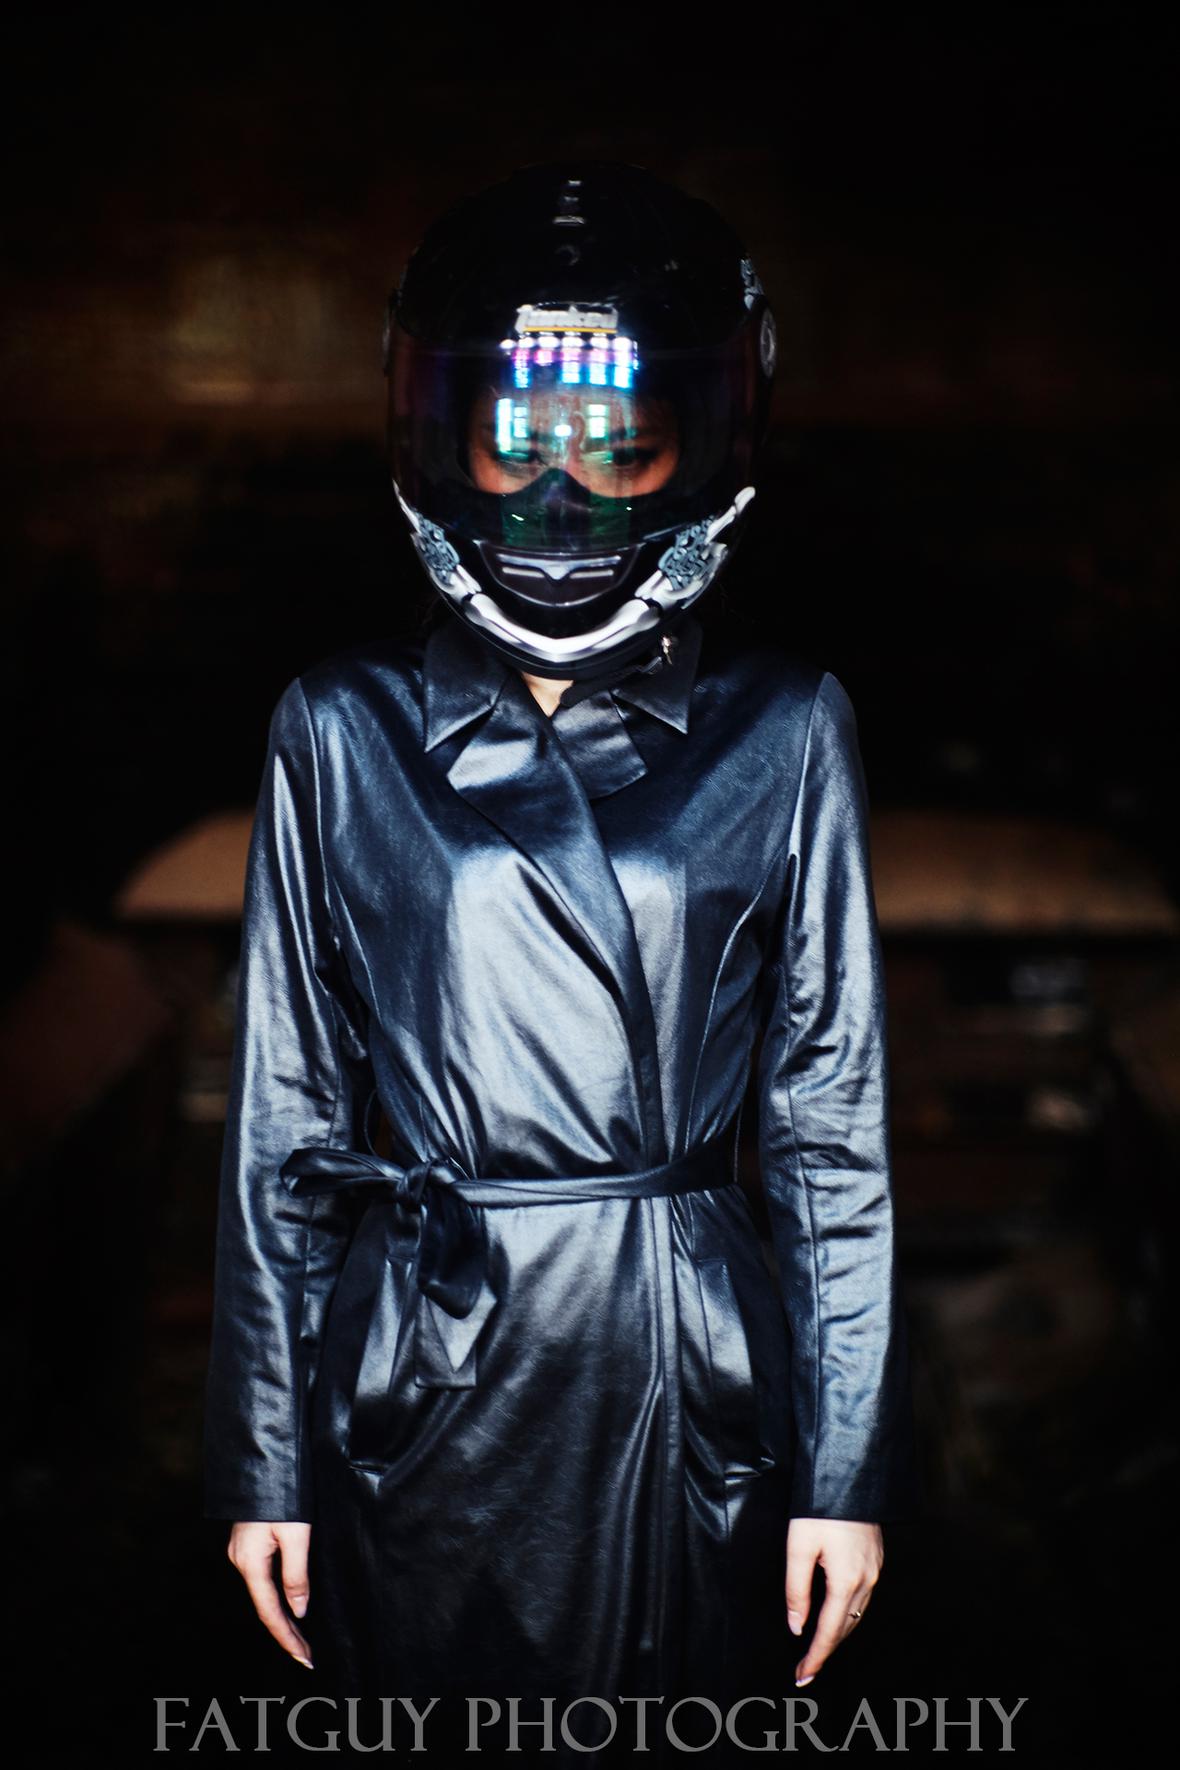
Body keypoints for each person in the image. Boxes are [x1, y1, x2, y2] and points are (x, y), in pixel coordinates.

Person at [202, 161, 921, 1762]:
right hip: (424, 1361)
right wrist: (261, 1463)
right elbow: (284, 1126)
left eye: (617, 443)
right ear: (447, 437)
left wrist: (846, 1472)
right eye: (520, 438)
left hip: (678, 1355)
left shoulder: (786, 723)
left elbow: (830, 1127)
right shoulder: (338, 724)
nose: (560, 490)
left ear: (698, 445)